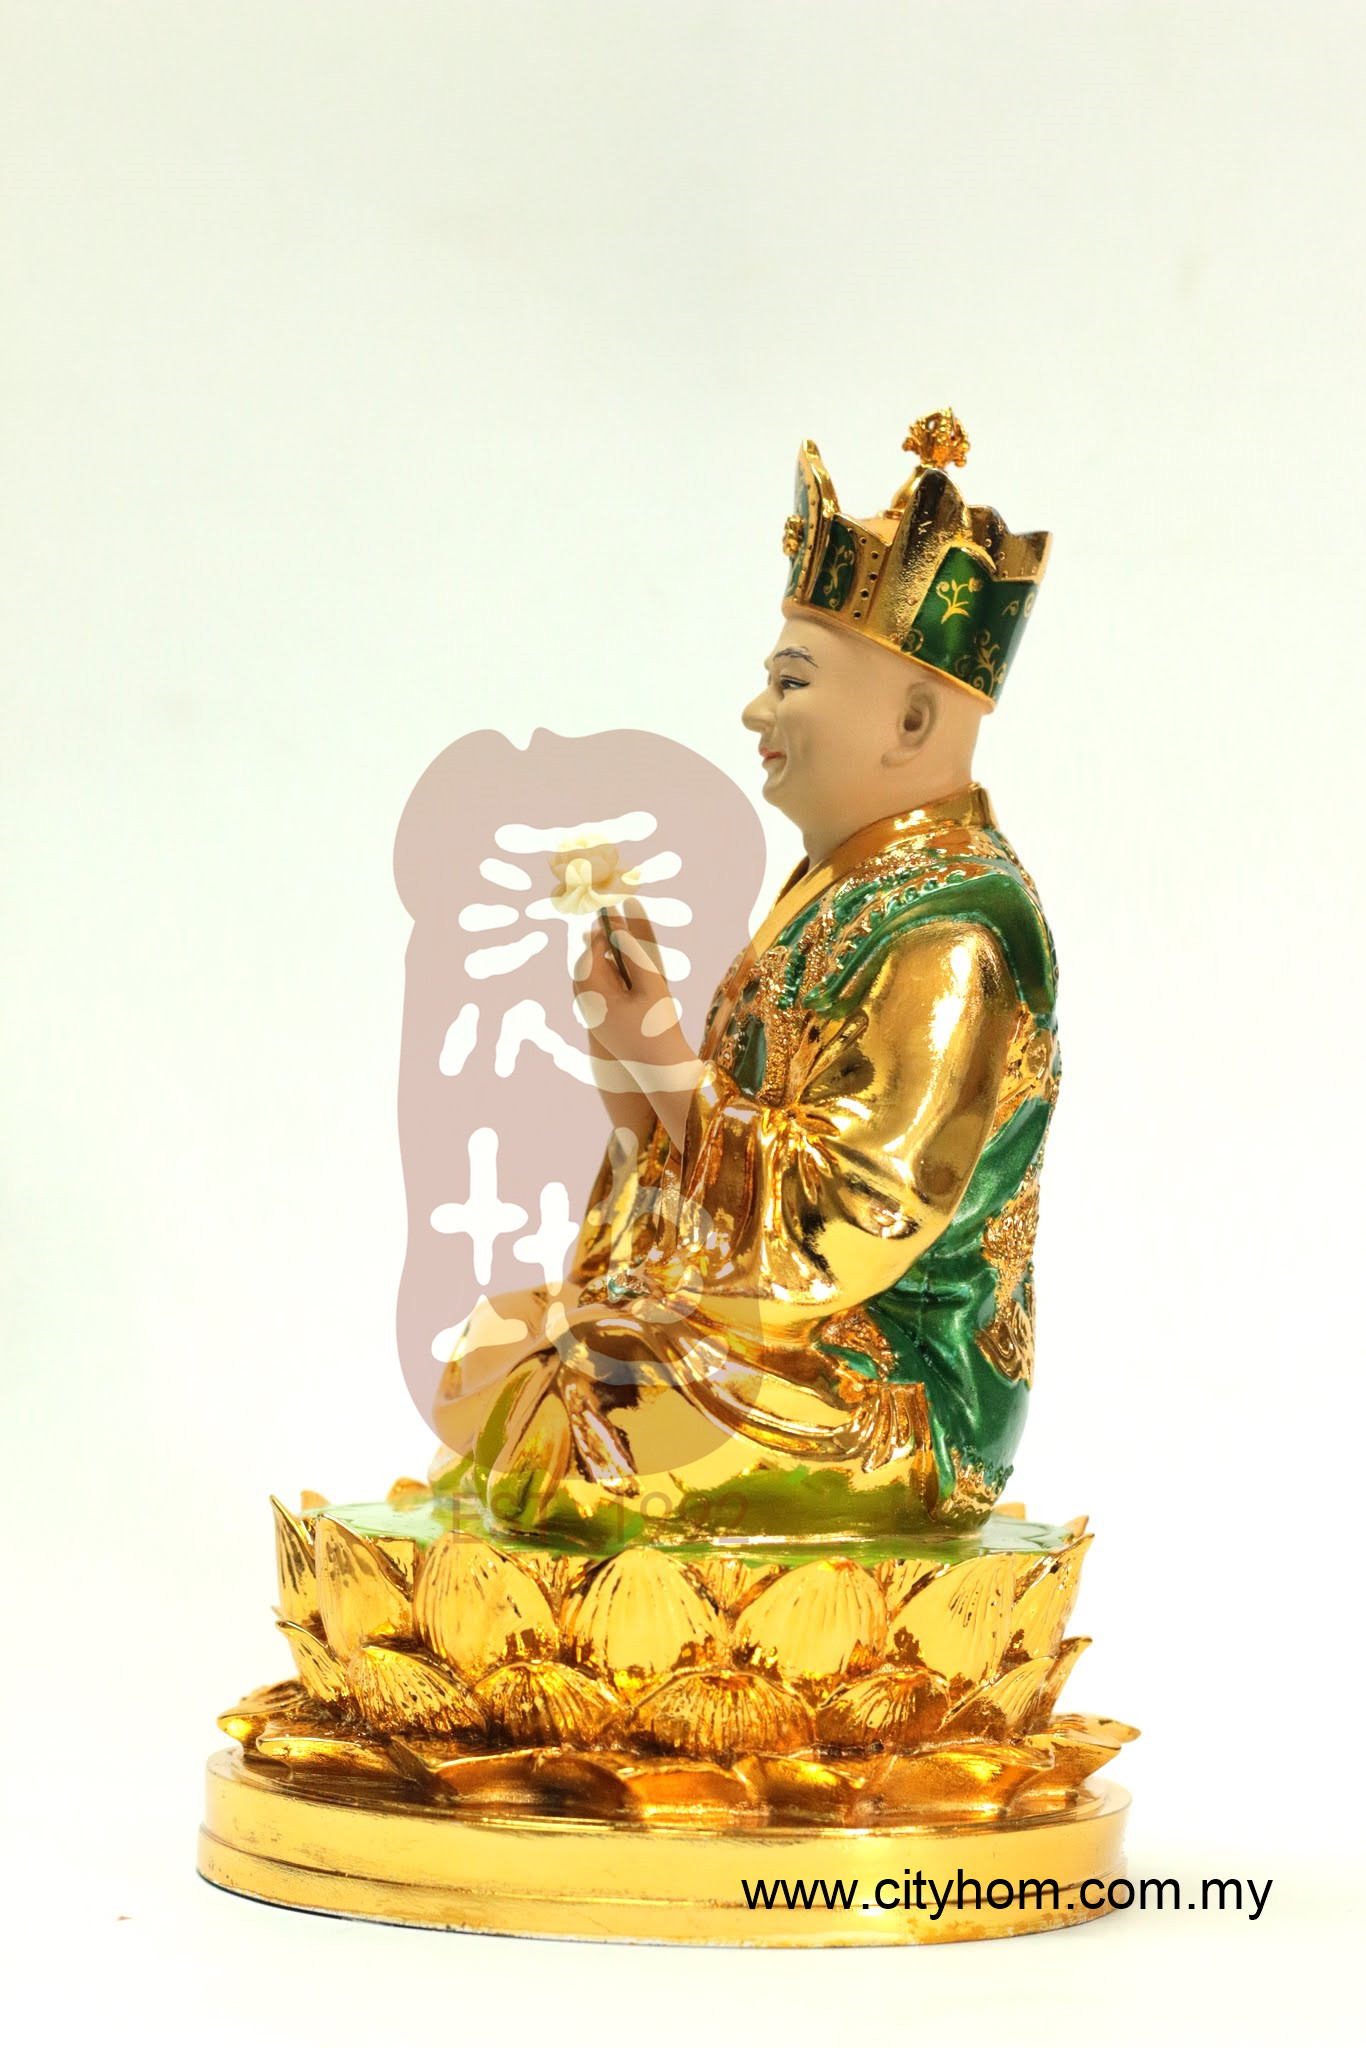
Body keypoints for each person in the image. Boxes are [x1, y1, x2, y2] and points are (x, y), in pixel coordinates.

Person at [431, 410, 1059, 1546]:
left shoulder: (955, 931)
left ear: (912, 718)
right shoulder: (836, 884)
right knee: (504, 1347)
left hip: (896, 1387)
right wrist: (631, 1062)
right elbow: (717, 1145)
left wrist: (668, 1063)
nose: (756, 712)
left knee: (581, 1418)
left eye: (791, 682)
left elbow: (844, 1219)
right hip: (775, 1337)